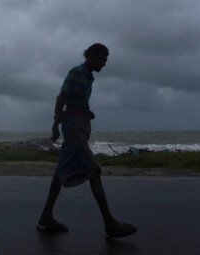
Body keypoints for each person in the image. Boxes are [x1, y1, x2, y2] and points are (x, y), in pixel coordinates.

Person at [37, 43, 137, 239]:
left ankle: (45, 217)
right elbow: (61, 98)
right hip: (73, 128)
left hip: (80, 125)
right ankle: (110, 224)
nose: (104, 64)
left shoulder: (89, 77)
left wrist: (85, 110)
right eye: (102, 59)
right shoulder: (76, 72)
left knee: (61, 172)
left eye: (106, 60)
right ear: (90, 56)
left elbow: (75, 100)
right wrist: (55, 125)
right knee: (94, 170)